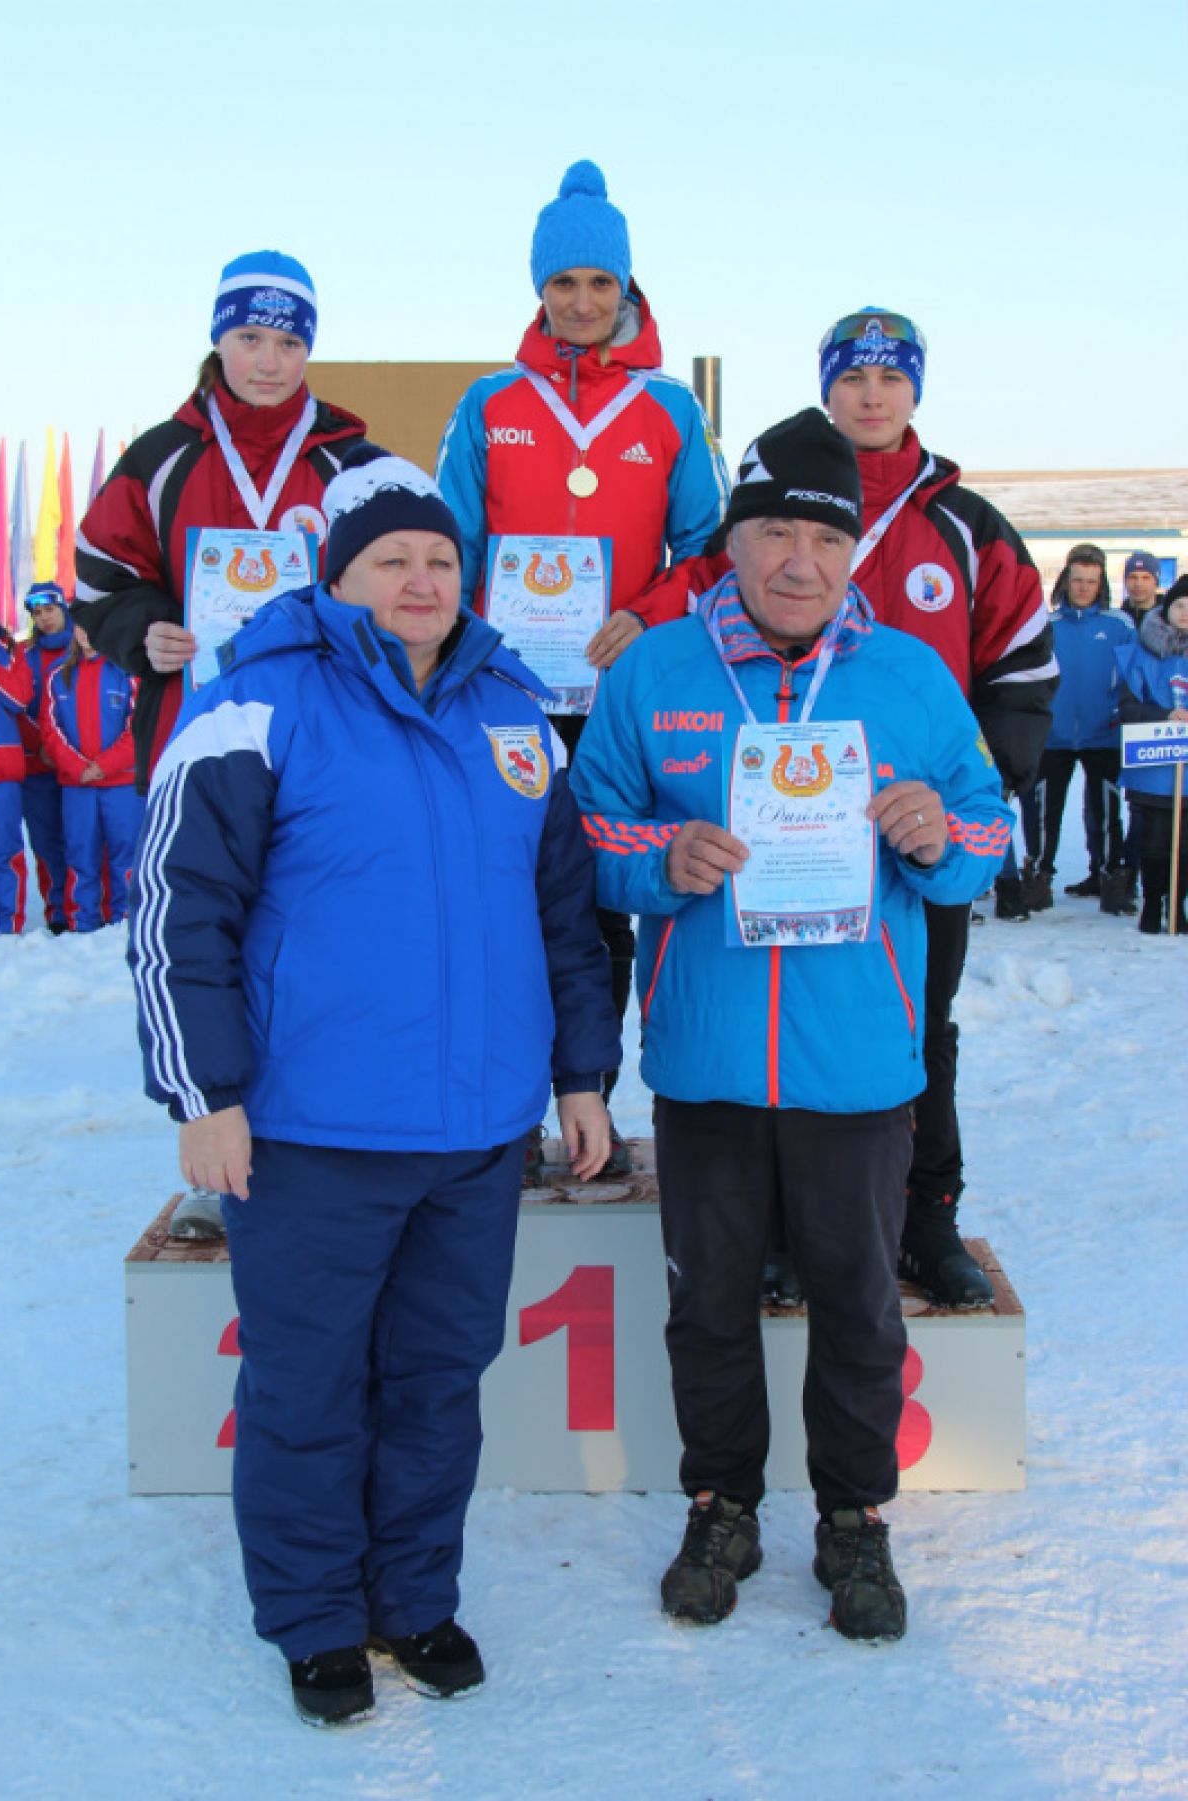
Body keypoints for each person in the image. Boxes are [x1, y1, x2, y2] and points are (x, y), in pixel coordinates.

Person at [128, 449, 618, 1726]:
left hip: (475, 1133)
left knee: (438, 1379)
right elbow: (181, 908)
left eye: (440, 559)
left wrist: (580, 1075)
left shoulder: (514, 713)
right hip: (312, 1133)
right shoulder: (255, 702)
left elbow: (564, 917)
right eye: (391, 558)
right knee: (305, 1389)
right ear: (336, 575)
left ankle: (413, 1597)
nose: (420, 579)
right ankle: (313, 1618)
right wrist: (203, 1092)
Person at [571, 409, 1011, 1642]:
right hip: (708, 1059)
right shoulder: (655, 671)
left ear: (854, 548)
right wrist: (662, 857)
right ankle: (722, 1503)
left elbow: (990, 827)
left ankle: (854, 1516)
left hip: (859, 1063)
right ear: (733, 542)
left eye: (825, 538)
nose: (799, 562)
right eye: (773, 533)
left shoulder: (910, 676)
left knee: (859, 1305)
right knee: (708, 1304)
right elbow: (588, 829)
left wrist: (940, 835)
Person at [633, 309, 1053, 1305]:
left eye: (891, 377)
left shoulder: (965, 522)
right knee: (772, 1033)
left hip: (903, 843)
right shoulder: (773, 492)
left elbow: (1024, 661)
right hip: (767, 839)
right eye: (853, 376)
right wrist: (621, 625)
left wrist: (958, 805)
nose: (872, 394)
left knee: (921, 1028)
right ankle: (779, 1230)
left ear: (916, 391)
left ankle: (927, 1216)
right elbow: (691, 597)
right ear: (827, 388)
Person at [435, 160, 729, 1176]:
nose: (583, 302)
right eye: (563, 283)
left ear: (627, 286)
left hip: (616, 699)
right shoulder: (490, 403)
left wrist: (644, 614)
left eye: (601, 282)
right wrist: (468, 648)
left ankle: (588, 1103)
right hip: (505, 698)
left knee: (602, 900)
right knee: (502, 897)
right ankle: (503, 1108)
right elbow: (450, 546)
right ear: (539, 289)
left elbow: (709, 549)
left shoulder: (669, 408)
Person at [74, 250, 366, 1233]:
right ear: (218, 338)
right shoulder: (162, 455)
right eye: (249, 337)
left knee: (318, 936)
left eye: (288, 341)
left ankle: (324, 1138)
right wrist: (144, 629)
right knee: (201, 937)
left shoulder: (348, 461)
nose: (268, 361)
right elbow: (98, 575)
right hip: (194, 741)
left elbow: (397, 582)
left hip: (323, 749)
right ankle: (214, 1147)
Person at [1033, 544, 1134, 912]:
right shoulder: (1047, 625)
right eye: (1077, 580)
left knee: (1106, 811)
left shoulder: (1119, 625)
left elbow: (1131, 678)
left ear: (1101, 584)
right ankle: (1039, 876)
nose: (1083, 588)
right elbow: (1032, 675)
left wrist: (1118, 713)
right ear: (1065, 580)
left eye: (1091, 581)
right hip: (1054, 736)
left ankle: (1111, 877)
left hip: (1103, 733)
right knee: (1044, 813)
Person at [42, 627, 143, 931]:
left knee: (126, 853)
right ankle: (81, 922)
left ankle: (125, 921)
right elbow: (50, 729)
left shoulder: (127, 671)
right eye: (80, 625)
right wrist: (77, 767)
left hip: (121, 783)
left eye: (92, 624)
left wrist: (104, 765)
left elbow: (139, 727)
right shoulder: (58, 674)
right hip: (79, 786)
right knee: (80, 853)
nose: (85, 632)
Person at [1116, 577, 1188, 933]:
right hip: (1154, 765)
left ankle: (1177, 904)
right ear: (1167, 609)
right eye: (1179, 606)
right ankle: (1153, 901)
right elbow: (1128, 707)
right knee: (1156, 841)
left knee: (1185, 845)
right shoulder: (1141, 653)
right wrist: (1165, 715)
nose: (1185, 613)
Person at [19, 583, 73, 934]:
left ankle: (86, 906)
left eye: (50, 610)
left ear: (63, 609)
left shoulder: (84, 648)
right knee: (46, 841)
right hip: (38, 767)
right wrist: (43, 746)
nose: (44, 618)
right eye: (37, 613)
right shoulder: (24, 655)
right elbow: (18, 708)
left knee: (83, 840)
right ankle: (57, 912)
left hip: (79, 764)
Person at [0, 591, 32, 935]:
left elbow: (19, 698)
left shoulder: (6, 648)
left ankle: (8, 928)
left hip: (0, 770)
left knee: (5, 853)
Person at [1121, 550, 1162, 625]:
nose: (1138, 584)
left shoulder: (1170, 622)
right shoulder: (1117, 620)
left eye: (1146, 578)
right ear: (1125, 581)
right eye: (1133, 577)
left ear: (1156, 582)